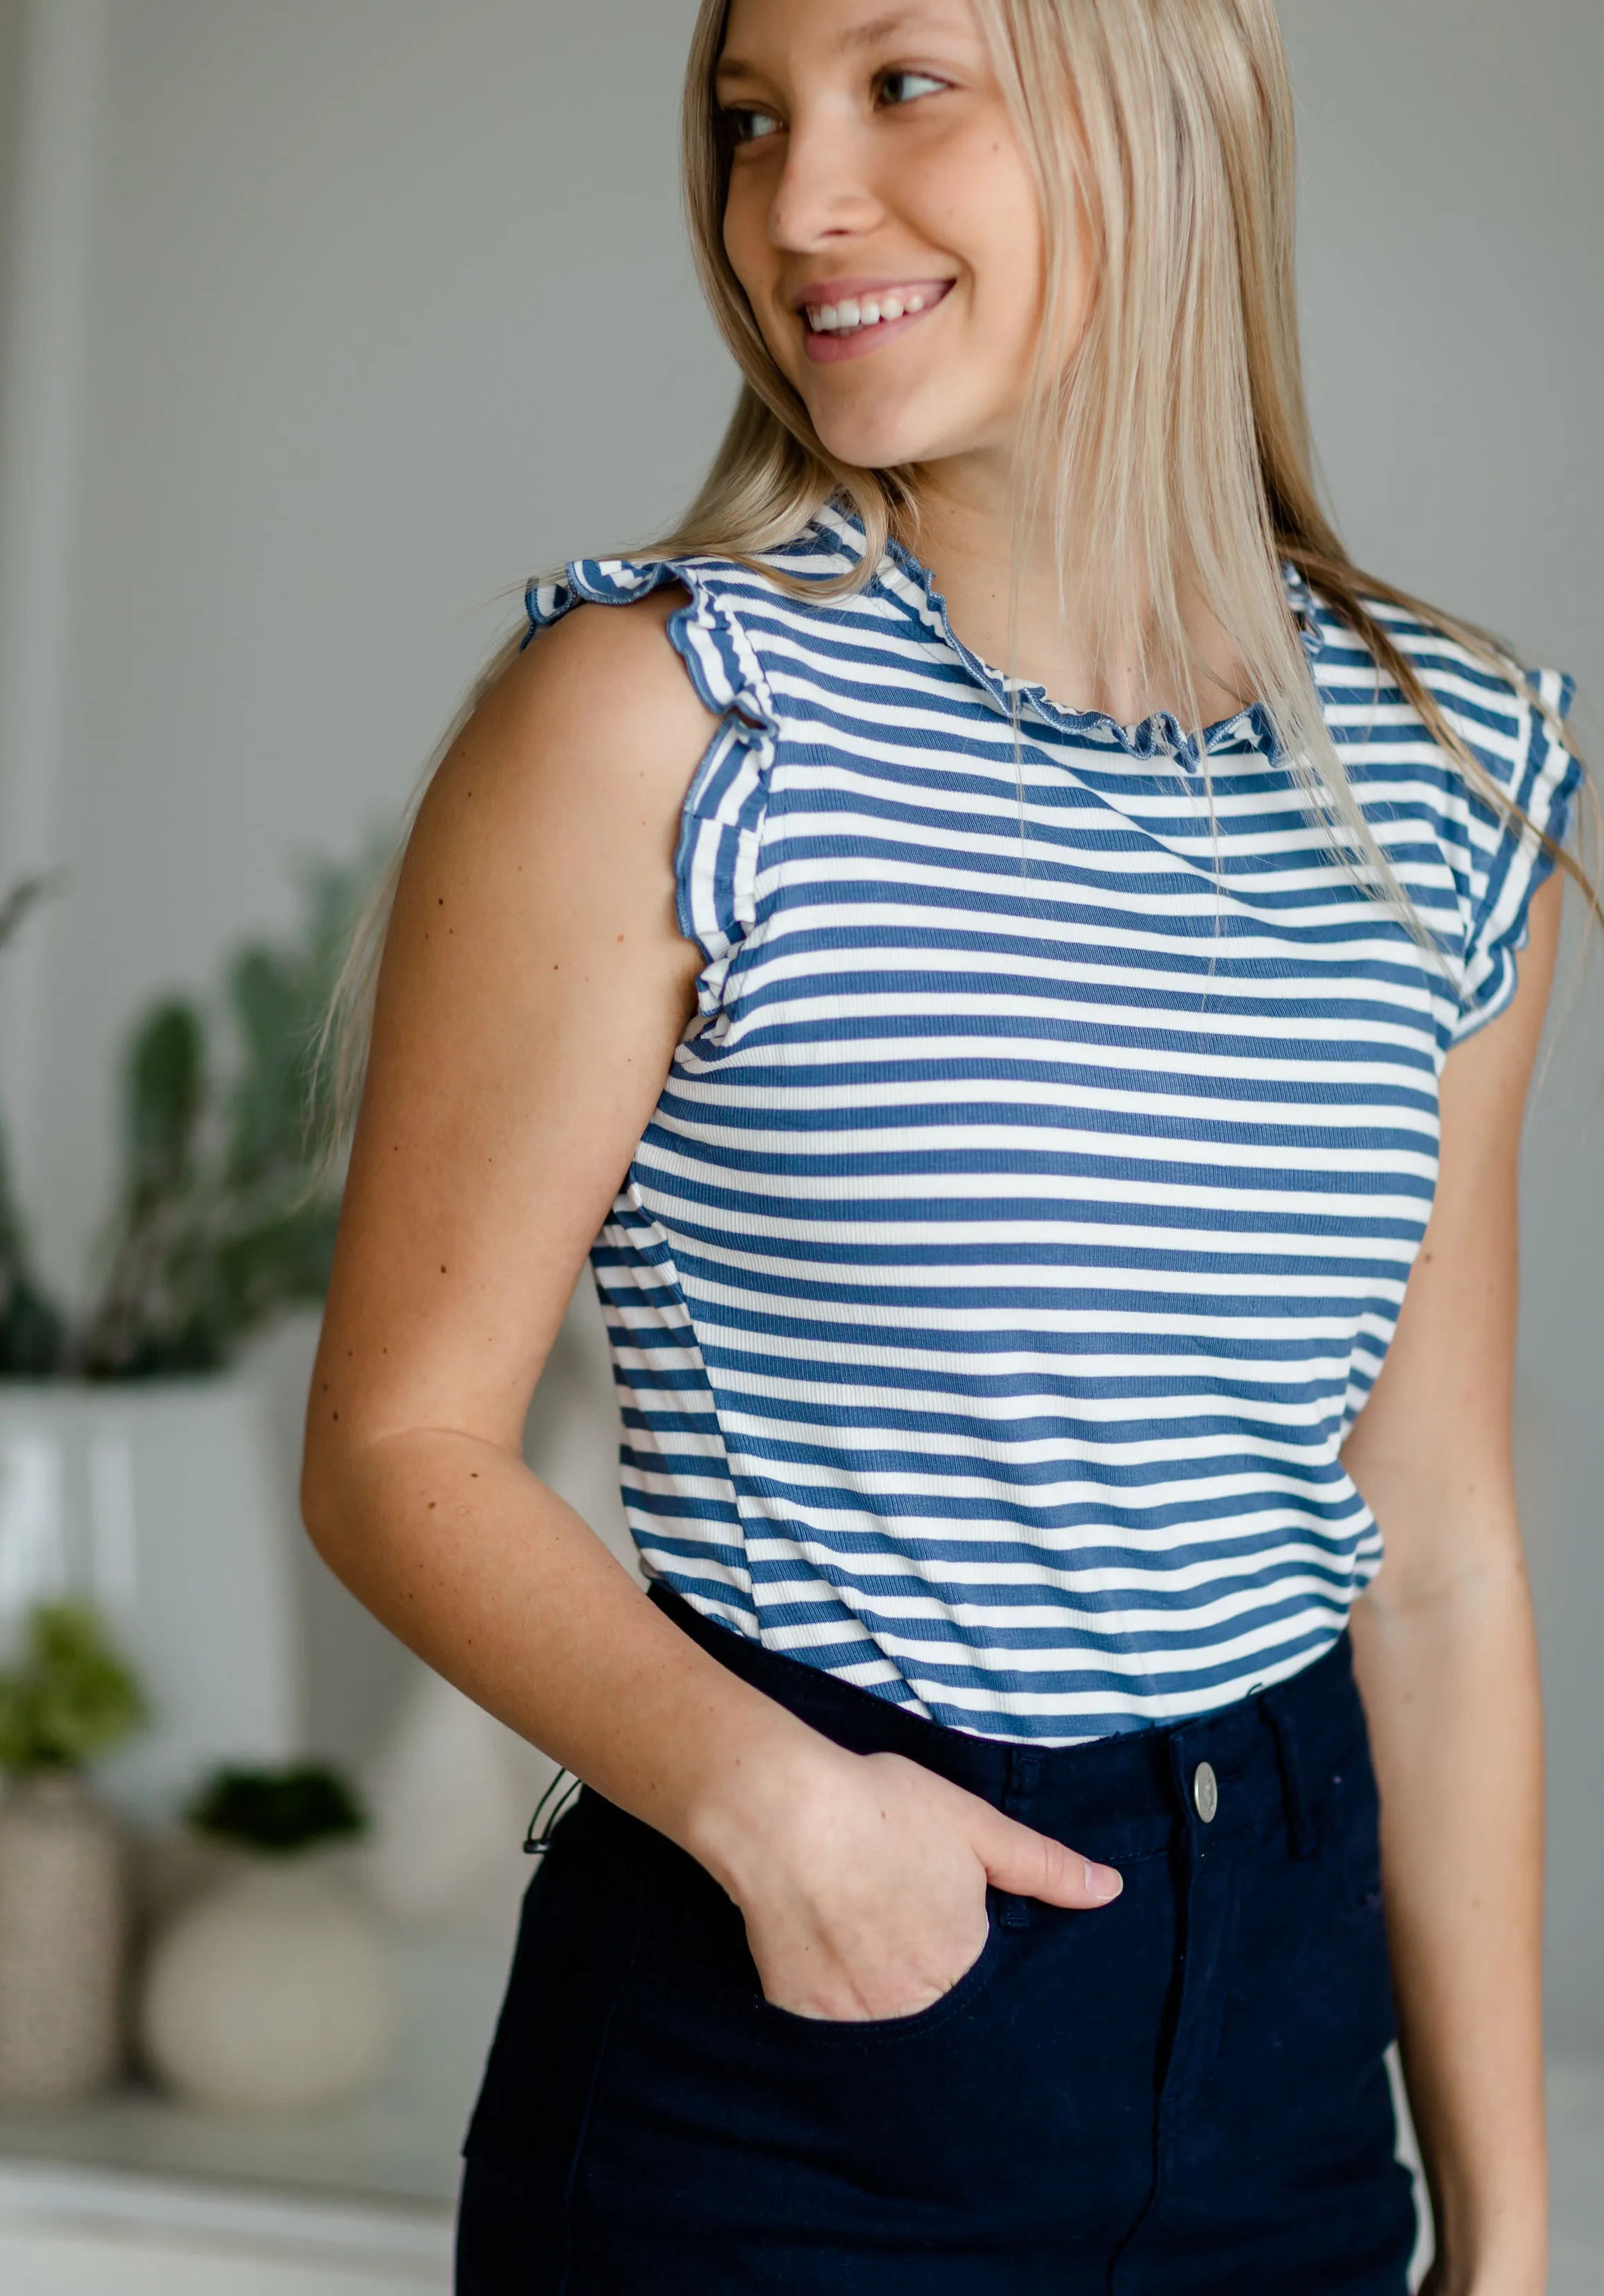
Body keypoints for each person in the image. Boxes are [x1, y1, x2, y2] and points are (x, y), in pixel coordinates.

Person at [301, 4, 1588, 2290]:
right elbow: (400, 1446)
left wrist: (1498, 2229)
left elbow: (1438, 1548)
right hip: (790, 2036)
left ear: (1157, 112)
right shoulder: (669, 717)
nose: (795, 204)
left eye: (905, 86)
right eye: (745, 122)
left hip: (1285, 2065)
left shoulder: (1451, 762)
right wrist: (772, 1805)